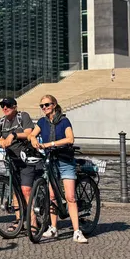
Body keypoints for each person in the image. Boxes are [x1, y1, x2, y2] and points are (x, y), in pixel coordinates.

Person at [31, 94, 87, 244]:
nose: (44, 108)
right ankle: (53, 228)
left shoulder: (63, 120)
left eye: (47, 105)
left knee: (70, 197)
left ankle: (77, 231)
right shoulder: (42, 122)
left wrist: (50, 144)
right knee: (52, 196)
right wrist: (34, 139)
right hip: (51, 161)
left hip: (65, 160)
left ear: (54, 105)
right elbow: (32, 134)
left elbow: (70, 139)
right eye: (42, 106)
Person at [0, 96, 36, 234]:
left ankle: (33, 222)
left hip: (26, 158)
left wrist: (12, 135)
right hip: (12, 160)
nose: (5, 108)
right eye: (3, 105)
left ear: (15, 106)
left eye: (8, 105)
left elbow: (29, 133)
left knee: (26, 190)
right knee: (15, 190)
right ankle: (19, 220)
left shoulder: (23, 116)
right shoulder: (1, 122)